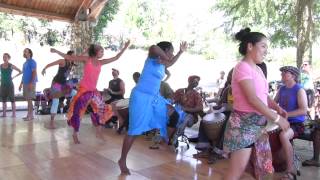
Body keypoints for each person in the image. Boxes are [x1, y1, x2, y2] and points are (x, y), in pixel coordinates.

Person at [223, 28, 289, 180]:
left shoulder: (258, 69)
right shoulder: (242, 67)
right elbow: (252, 99)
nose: (266, 51)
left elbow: (263, 96)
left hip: (259, 125)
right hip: (243, 126)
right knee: (235, 173)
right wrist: (278, 119)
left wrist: (277, 108)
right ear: (250, 46)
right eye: (263, 46)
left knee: (264, 169)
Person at [118, 41, 187, 175]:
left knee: (173, 113)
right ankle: (122, 159)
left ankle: (160, 139)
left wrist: (180, 52)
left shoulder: (163, 64)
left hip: (154, 97)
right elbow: (154, 47)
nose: (171, 54)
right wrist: (168, 57)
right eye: (171, 51)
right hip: (141, 96)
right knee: (134, 131)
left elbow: (171, 63)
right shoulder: (152, 55)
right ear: (165, 50)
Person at [50, 40, 130, 144]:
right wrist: (56, 51)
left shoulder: (101, 62)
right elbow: (70, 57)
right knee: (78, 112)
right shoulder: (87, 59)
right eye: (101, 51)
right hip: (84, 90)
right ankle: (75, 133)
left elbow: (116, 57)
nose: (103, 53)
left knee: (101, 109)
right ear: (95, 52)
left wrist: (125, 47)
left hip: (93, 91)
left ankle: (98, 132)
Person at [275, 66, 308, 179]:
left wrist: (287, 114)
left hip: (296, 124)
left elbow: (303, 110)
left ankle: (290, 171)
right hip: (283, 121)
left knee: (284, 135)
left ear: (293, 76)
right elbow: (274, 103)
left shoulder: (299, 90)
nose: (282, 75)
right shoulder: (282, 89)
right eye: (282, 73)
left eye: (285, 73)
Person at [41, 50, 76, 129]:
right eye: (72, 56)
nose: (74, 57)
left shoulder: (71, 63)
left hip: (64, 84)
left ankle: (70, 112)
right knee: (56, 101)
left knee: (75, 93)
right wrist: (44, 68)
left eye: (74, 56)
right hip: (56, 84)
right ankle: (52, 122)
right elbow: (51, 64)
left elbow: (81, 56)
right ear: (68, 56)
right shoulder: (62, 61)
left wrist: (87, 51)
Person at [0, 53, 22, 117]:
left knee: (12, 99)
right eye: (3, 57)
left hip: (10, 84)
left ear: (8, 58)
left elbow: (20, 71)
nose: (4, 58)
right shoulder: (0, 66)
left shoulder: (11, 65)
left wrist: (14, 77)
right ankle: (4, 114)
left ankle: (14, 114)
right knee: (3, 100)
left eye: (6, 57)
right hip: (2, 85)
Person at [19, 48, 37, 121]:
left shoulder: (32, 62)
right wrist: (21, 84)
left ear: (30, 53)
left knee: (29, 100)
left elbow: (34, 73)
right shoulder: (25, 63)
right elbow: (24, 75)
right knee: (28, 100)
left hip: (30, 83)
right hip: (25, 83)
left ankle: (30, 116)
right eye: (24, 51)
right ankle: (29, 115)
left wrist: (31, 83)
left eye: (26, 51)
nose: (24, 52)